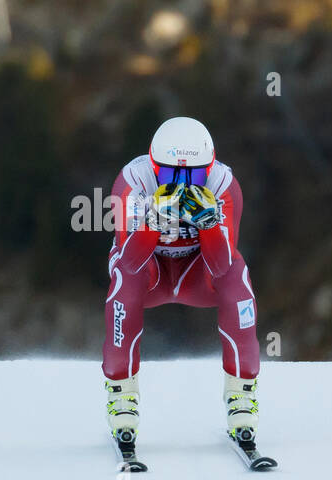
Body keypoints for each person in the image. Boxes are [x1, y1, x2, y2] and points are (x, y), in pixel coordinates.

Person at [101, 116, 260, 453]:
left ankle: (241, 394)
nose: (184, 185)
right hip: (150, 271)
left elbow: (221, 263)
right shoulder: (132, 181)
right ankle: (122, 394)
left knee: (237, 276)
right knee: (124, 281)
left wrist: (209, 224)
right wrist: (153, 222)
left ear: (210, 167)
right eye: (172, 175)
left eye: (194, 175)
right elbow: (129, 259)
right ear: (153, 166)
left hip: (196, 273)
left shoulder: (223, 185)